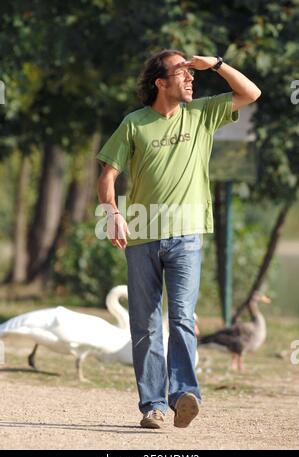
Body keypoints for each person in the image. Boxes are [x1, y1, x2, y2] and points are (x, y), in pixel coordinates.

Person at [97, 50, 261, 429]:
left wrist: (216, 65)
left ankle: (185, 394)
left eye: (192, 73)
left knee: (183, 318)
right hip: (142, 235)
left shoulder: (202, 114)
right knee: (146, 324)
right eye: (182, 72)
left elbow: (251, 93)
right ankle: (152, 405)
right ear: (160, 82)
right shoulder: (134, 124)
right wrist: (111, 213)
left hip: (187, 236)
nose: (191, 79)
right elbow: (108, 176)